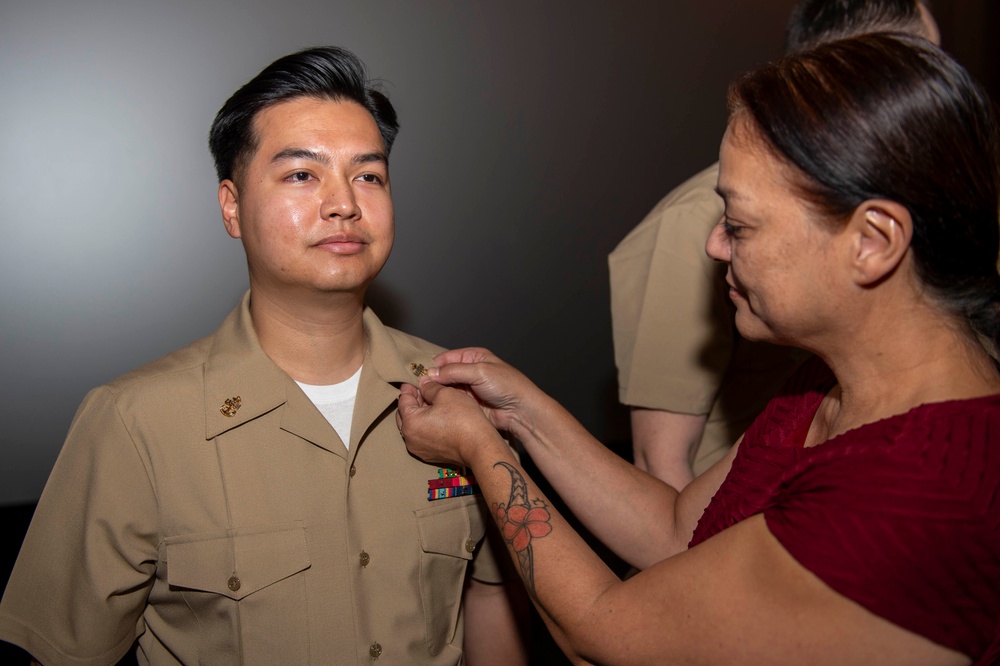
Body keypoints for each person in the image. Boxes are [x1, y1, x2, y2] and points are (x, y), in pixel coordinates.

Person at [398, 33, 1000, 664]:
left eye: (739, 224)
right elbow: (680, 529)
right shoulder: (822, 382)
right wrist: (522, 409)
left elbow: (605, 632)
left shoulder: (922, 494)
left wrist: (480, 448)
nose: (715, 245)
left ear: (873, 241)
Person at [0, 47, 525, 665]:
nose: (344, 204)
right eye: (302, 174)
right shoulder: (135, 424)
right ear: (231, 206)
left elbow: (491, 601)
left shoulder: (461, 396)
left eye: (369, 175)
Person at [609, 0, 940, 490]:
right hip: (729, 523)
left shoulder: (919, 203)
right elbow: (661, 466)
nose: (939, 88)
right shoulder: (693, 223)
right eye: (916, 66)